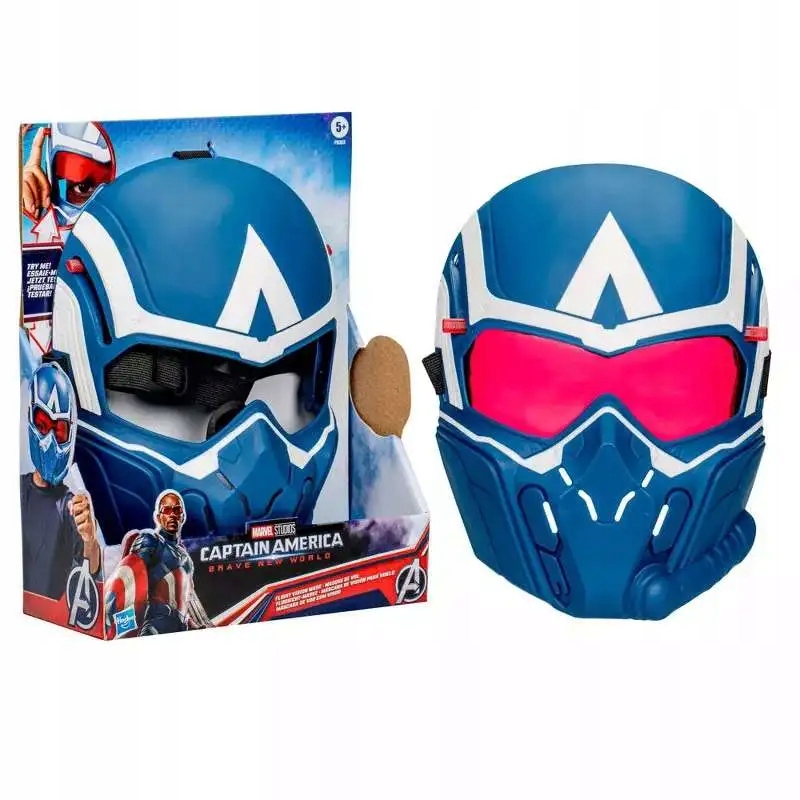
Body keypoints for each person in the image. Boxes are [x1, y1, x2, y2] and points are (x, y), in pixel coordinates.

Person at [21, 361, 100, 599]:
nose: (50, 440)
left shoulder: (71, 507)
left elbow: (90, 571)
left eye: (59, 430)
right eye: (43, 425)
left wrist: (90, 540)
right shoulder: (16, 490)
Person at [105, 489, 214, 637]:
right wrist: (122, 624)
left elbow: (184, 600)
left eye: (177, 510)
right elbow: (128, 577)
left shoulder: (186, 558)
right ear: (158, 517)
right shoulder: (150, 541)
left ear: (182, 516)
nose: (172, 515)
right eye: (167, 510)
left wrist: (193, 626)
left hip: (181, 627)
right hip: (156, 624)